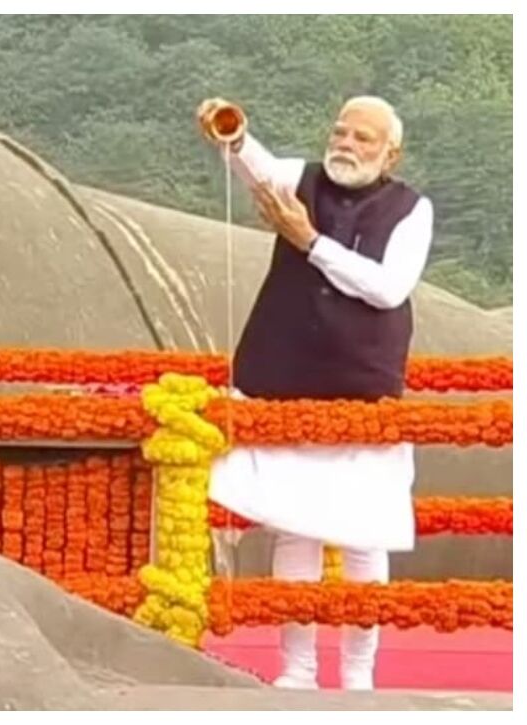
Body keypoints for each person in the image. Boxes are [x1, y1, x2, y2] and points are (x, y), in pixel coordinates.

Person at [195, 96, 435, 690]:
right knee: (294, 528)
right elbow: (257, 167)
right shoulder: (300, 180)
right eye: (340, 132)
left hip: (363, 390)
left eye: (362, 138)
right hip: (286, 381)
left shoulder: (412, 209)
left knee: (363, 537)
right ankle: (298, 669)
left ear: (391, 154)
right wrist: (234, 136)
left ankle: (358, 675)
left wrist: (310, 241)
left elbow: (387, 288)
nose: (346, 144)